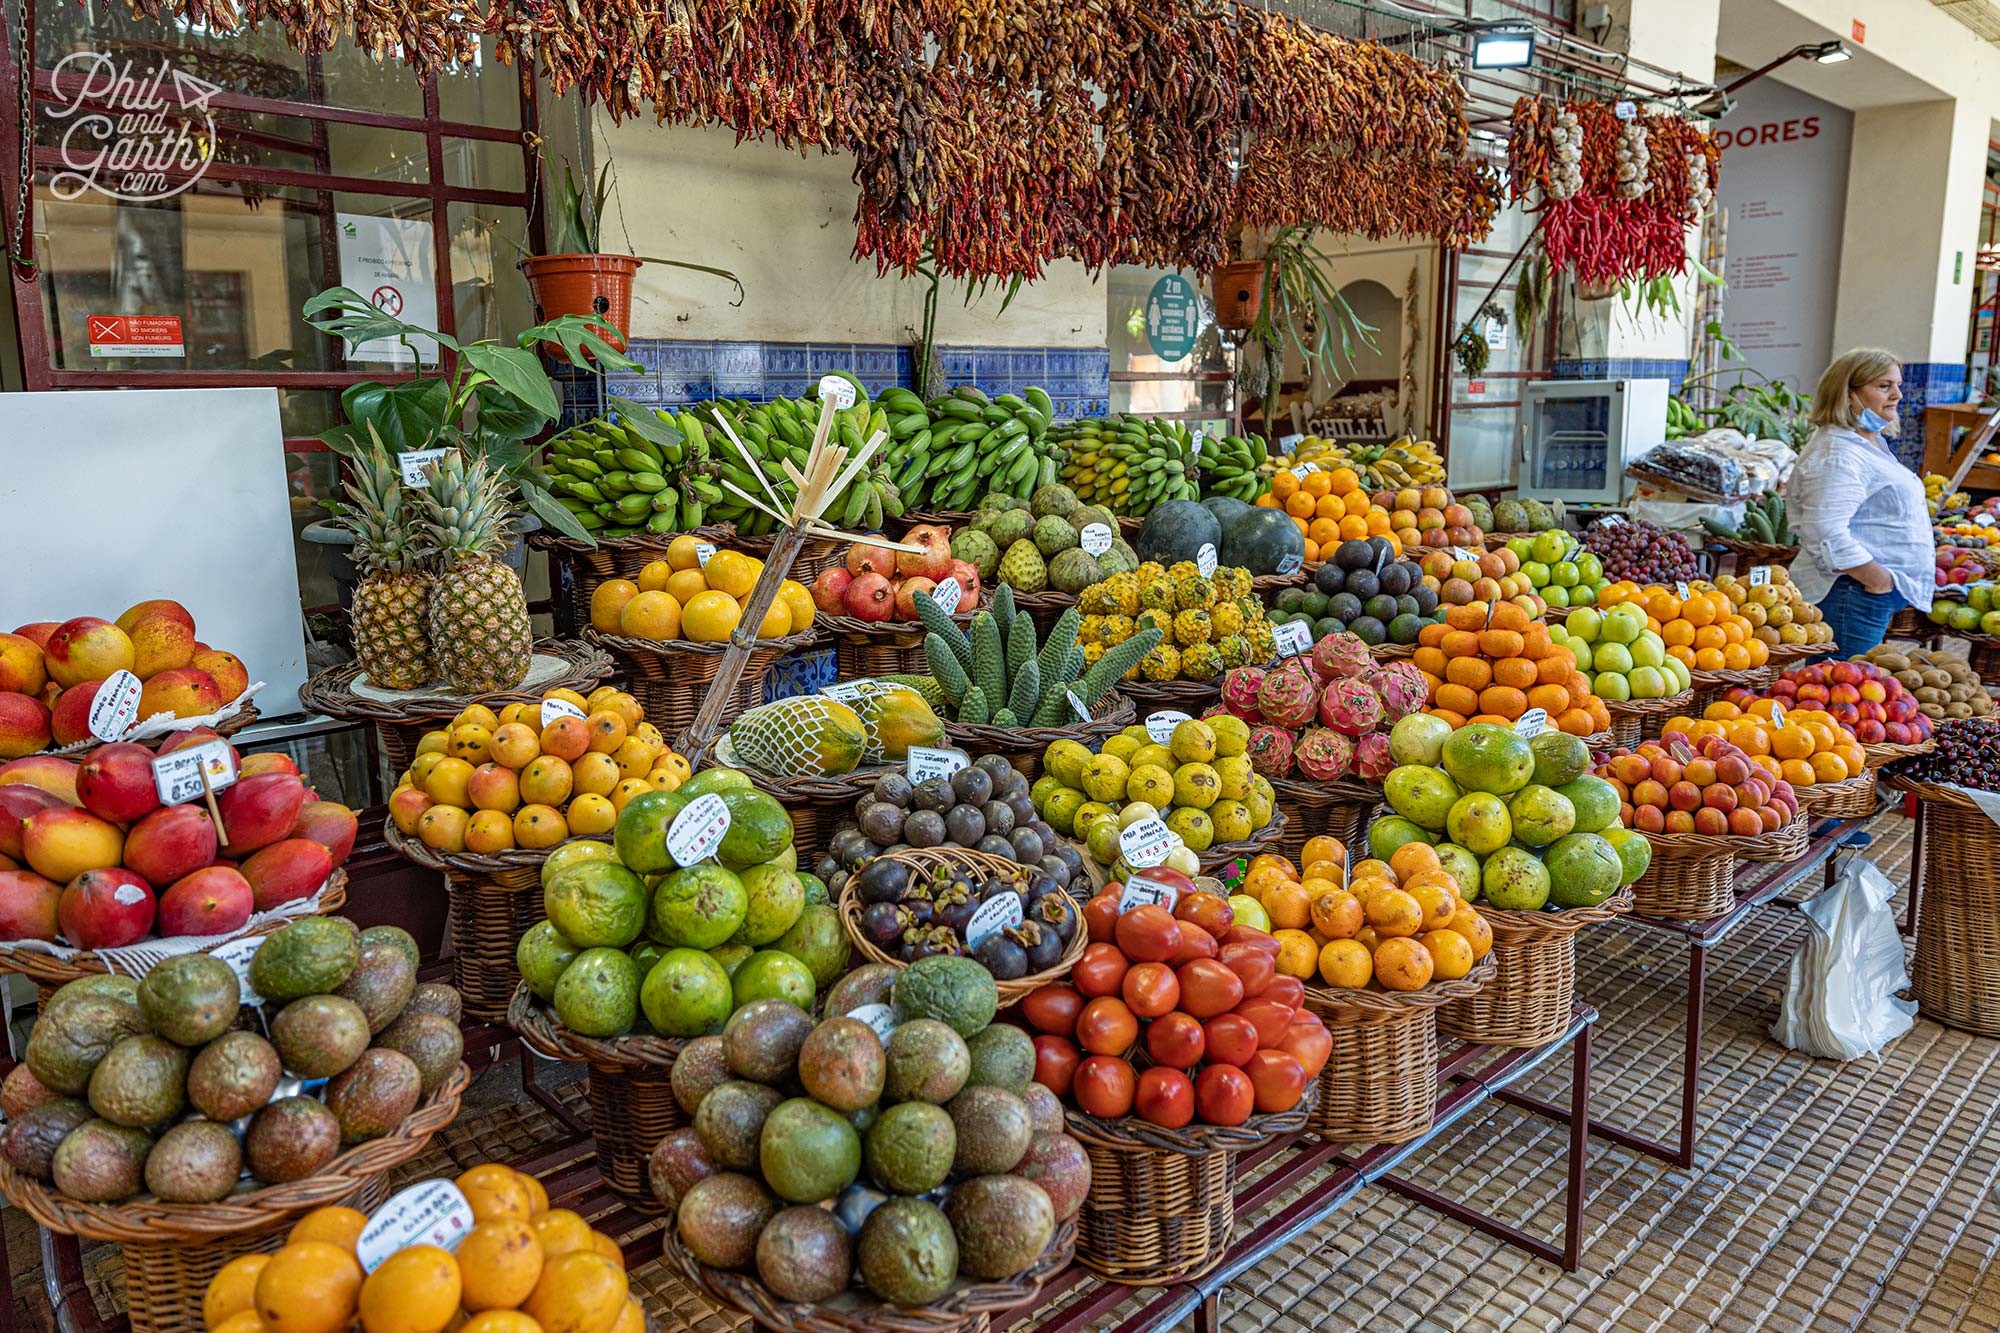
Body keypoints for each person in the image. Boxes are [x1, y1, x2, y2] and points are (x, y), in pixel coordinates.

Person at [1786, 349, 1932, 658]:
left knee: (1854, 690)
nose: (1898, 395)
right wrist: (1876, 580)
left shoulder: (1867, 442)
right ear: (1848, 393)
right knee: (1842, 691)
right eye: (1884, 386)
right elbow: (1824, 530)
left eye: (1898, 385)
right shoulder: (1838, 453)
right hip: (1851, 594)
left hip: (1861, 594)